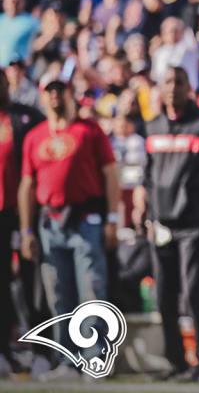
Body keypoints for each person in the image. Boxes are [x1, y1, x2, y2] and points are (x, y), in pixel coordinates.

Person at [136, 66, 199, 381]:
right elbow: (147, 176)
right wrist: (144, 211)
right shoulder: (152, 127)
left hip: (195, 224)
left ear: (189, 87)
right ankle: (176, 363)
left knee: (195, 294)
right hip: (162, 224)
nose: (172, 88)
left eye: (178, 82)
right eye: (167, 82)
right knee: (165, 295)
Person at [18, 69, 120, 381]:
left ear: (69, 93)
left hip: (86, 219)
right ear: (42, 94)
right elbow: (26, 185)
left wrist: (113, 219)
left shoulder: (89, 130)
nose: (55, 95)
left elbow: (111, 174)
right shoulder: (35, 136)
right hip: (50, 222)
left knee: (91, 290)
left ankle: (95, 361)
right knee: (58, 294)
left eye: (60, 89)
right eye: (49, 89)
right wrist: (26, 231)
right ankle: (67, 362)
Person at [0, 71, 44, 375]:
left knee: (35, 282)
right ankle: (4, 351)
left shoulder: (26, 117)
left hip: (26, 213)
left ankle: (44, 350)